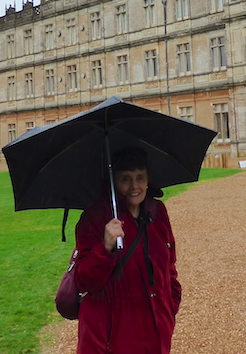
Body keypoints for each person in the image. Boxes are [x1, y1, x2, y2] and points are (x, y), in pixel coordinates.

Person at [72, 147, 181, 354]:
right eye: (125, 179)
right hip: (111, 340)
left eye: (140, 178)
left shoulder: (157, 212)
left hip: (156, 333)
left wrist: (170, 307)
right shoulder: (95, 218)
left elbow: (169, 265)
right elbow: (83, 280)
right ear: (114, 182)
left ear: (148, 181)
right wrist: (105, 249)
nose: (134, 186)